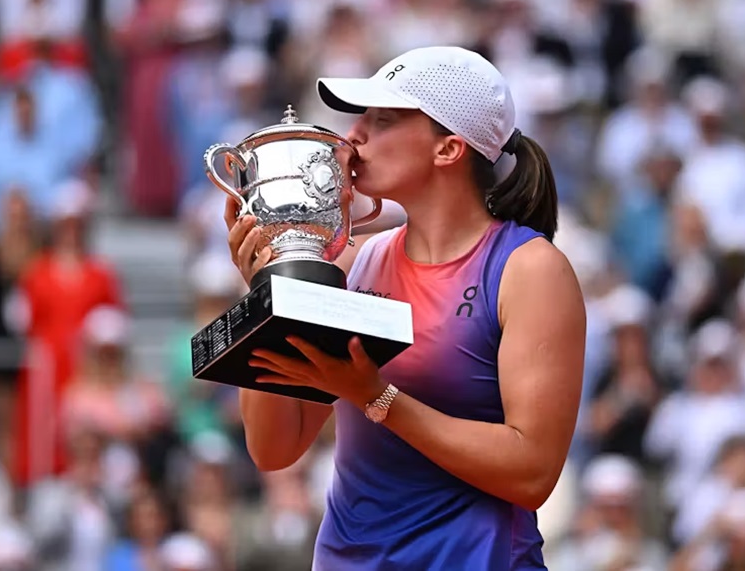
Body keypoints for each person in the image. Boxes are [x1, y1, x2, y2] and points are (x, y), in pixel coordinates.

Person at [224, 45, 587, 569]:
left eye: (383, 120)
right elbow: (274, 448)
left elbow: (532, 473)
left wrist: (377, 398)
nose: (353, 136)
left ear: (447, 150)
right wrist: (267, 285)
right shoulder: (355, 259)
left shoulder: (530, 269)